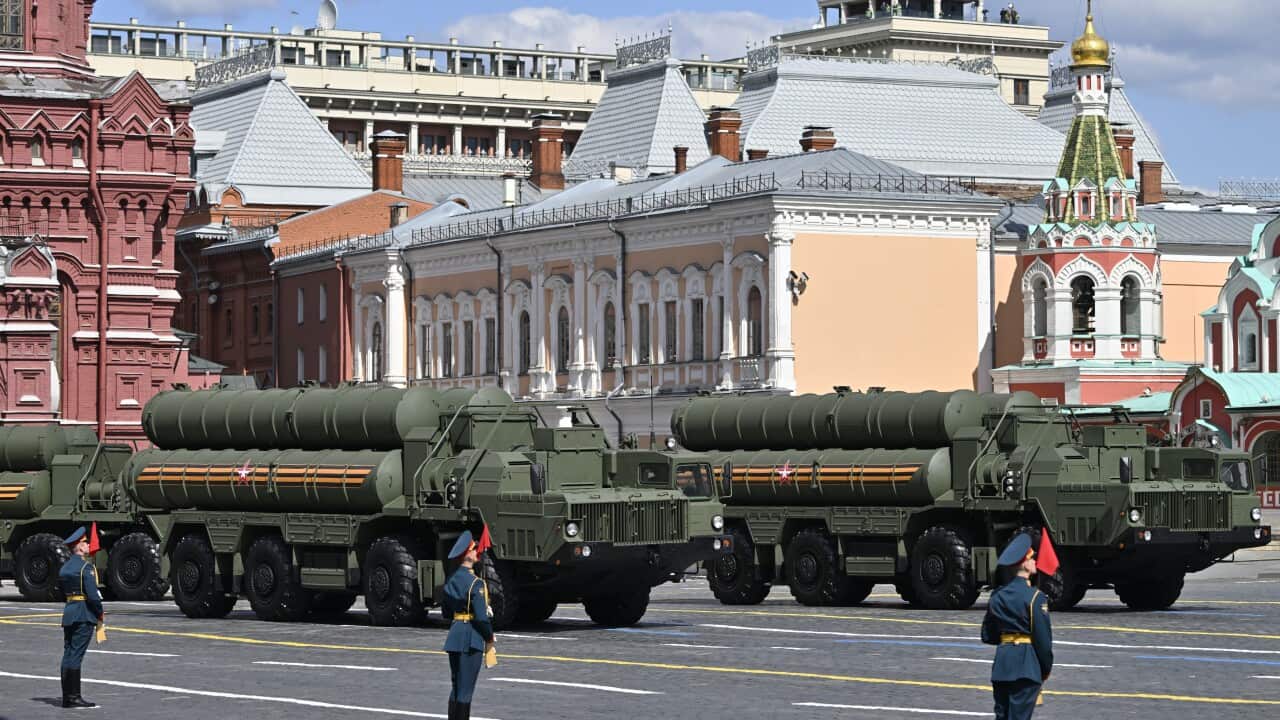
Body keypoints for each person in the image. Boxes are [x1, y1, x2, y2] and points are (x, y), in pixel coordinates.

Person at [981, 533, 1053, 719]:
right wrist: (1044, 670)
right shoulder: (1035, 598)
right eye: (1032, 558)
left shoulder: (997, 596)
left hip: (1002, 668)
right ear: (1024, 563)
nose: (1035, 561)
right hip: (1026, 669)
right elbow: (1043, 642)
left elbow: (987, 635)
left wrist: (1007, 639)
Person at [443, 530, 496, 720]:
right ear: (468, 554)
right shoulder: (476, 583)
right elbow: (481, 618)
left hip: (455, 635)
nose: (478, 552)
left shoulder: (451, 581)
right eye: (475, 549)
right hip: (470, 637)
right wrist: (489, 636)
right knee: (466, 690)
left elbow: (446, 611)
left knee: (456, 687)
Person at [58, 526, 103, 709]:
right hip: (84, 613)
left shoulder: (65, 568)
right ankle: (74, 697)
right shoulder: (86, 567)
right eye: (85, 542)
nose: (87, 545)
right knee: (76, 655)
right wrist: (99, 612)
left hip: (70, 612)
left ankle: (66, 696)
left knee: (68, 653)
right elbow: (93, 596)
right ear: (79, 546)